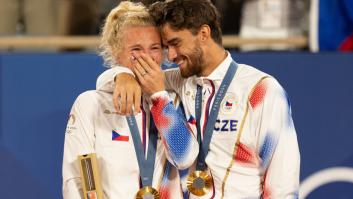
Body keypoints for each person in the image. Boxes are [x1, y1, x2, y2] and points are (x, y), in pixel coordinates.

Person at [97, 0, 300, 198]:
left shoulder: (260, 89)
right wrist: (121, 74)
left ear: (204, 33)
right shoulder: (180, 80)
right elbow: (110, 84)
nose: (171, 56)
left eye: (176, 43)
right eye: (166, 47)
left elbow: (282, 183)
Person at [62, 1, 198, 198]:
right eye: (136, 49)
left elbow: (184, 158)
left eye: (154, 48)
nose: (147, 58)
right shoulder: (91, 104)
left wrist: (159, 97)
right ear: (116, 53)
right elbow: (76, 179)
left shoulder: (172, 101)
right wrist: (121, 74)